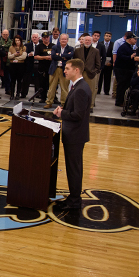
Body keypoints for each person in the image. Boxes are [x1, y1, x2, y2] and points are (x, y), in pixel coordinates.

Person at [52, 59, 91, 210]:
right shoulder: (78, 86)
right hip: (74, 134)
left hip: (75, 136)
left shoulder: (81, 89)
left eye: (67, 69)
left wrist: (63, 113)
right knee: (73, 168)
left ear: (76, 70)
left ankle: (75, 200)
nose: (64, 71)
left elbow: (78, 115)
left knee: (74, 169)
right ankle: (73, 197)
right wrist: (62, 110)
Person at [45, 34, 74, 109]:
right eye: (62, 39)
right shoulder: (55, 47)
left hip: (65, 70)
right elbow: (53, 56)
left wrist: (60, 55)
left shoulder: (71, 48)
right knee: (52, 87)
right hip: (54, 69)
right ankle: (49, 102)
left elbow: (70, 56)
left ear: (67, 40)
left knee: (64, 88)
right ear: (59, 40)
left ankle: (64, 104)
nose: (63, 40)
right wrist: (64, 56)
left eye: (65, 39)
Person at [73, 34, 101, 111]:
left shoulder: (95, 51)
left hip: (90, 74)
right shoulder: (78, 51)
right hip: (80, 74)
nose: (87, 41)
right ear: (83, 41)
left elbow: (98, 64)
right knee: (78, 90)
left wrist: (94, 71)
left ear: (91, 41)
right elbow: (74, 62)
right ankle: (78, 105)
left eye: (89, 40)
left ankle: (90, 106)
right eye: (86, 40)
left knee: (91, 90)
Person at [114, 32, 138, 107]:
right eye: (134, 39)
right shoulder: (123, 47)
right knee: (121, 86)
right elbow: (120, 57)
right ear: (130, 39)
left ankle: (122, 100)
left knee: (124, 86)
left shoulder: (129, 47)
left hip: (126, 70)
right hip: (121, 70)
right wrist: (130, 57)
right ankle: (119, 101)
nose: (135, 41)